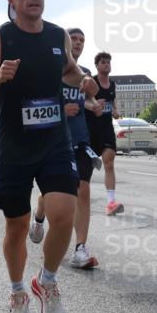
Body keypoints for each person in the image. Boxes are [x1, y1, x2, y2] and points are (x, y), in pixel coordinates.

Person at [0, 0, 97, 313]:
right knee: (16, 225)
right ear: (11, 0)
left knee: (63, 214)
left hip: (55, 142)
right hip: (15, 147)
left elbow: (69, 70)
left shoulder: (57, 35)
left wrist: (83, 80)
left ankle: (47, 281)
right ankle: (17, 291)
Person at [30, 27, 102, 268]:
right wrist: (61, 110)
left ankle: (80, 249)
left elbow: (86, 99)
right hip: (54, 141)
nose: (78, 43)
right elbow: (34, 104)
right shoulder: (50, 69)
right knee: (55, 193)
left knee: (83, 190)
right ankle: (40, 212)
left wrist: (94, 105)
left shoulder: (85, 74)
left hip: (80, 139)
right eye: (74, 39)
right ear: (65, 43)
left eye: (82, 40)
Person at [86, 52, 124, 215]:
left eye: (108, 62)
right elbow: (83, 100)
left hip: (107, 129)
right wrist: (94, 104)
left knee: (109, 164)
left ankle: (110, 203)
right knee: (86, 169)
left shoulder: (113, 85)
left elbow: (111, 102)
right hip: (90, 130)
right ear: (97, 65)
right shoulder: (91, 82)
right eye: (103, 62)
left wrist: (114, 110)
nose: (106, 64)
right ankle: (80, 198)